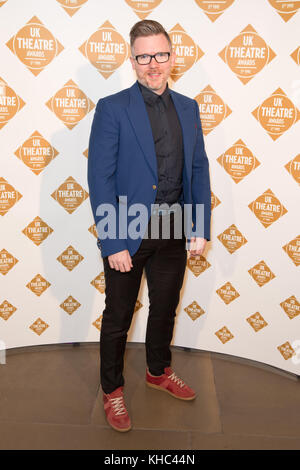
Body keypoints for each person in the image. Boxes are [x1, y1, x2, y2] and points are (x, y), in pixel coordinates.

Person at [88, 20, 211, 432]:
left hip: (175, 227)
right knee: (119, 315)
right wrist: (113, 240)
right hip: (127, 228)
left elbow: (198, 168)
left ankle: (158, 371)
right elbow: (100, 179)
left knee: (165, 309)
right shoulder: (113, 107)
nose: (152, 64)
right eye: (143, 56)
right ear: (132, 58)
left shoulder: (190, 108)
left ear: (173, 57)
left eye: (160, 54)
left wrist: (199, 225)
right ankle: (112, 391)